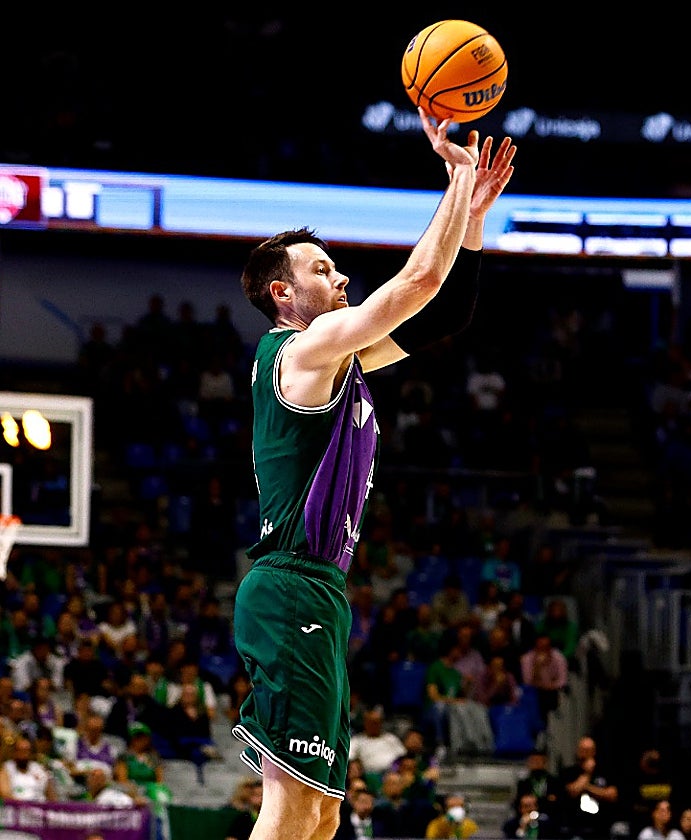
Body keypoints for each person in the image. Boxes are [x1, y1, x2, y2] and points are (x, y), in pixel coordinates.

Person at [231, 110, 515, 840]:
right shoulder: (301, 349)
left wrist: (472, 219)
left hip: (319, 589)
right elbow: (417, 279)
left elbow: (442, 311)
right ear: (282, 295)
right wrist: (453, 178)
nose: (342, 274)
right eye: (322, 269)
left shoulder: (339, 357)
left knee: (324, 812)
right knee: (292, 806)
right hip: (292, 583)